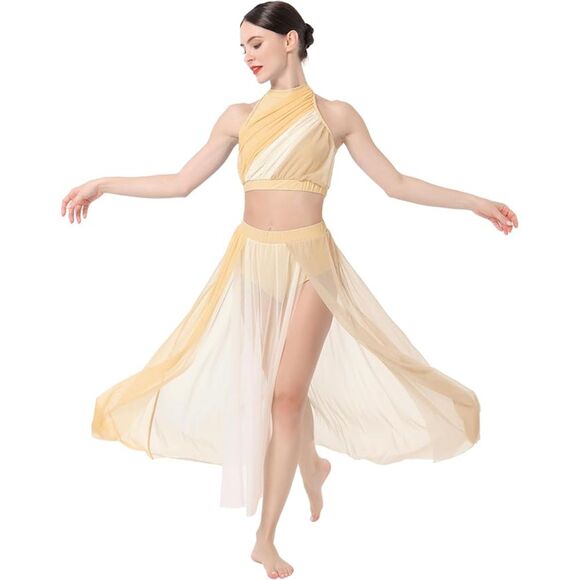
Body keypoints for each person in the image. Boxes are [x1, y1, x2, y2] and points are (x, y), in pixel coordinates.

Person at [61, 2, 518, 578]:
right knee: (273, 395)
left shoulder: (335, 115)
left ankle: (265, 539)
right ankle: (312, 466)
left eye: (256, 43)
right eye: (242, 47)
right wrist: (103, 183)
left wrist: (476, 203)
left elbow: (396, 183)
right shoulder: (238, 117)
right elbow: (180, 183)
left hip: (311, 263)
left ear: (291, 40)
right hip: (253, 260)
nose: (247, 56)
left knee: (285, 399)